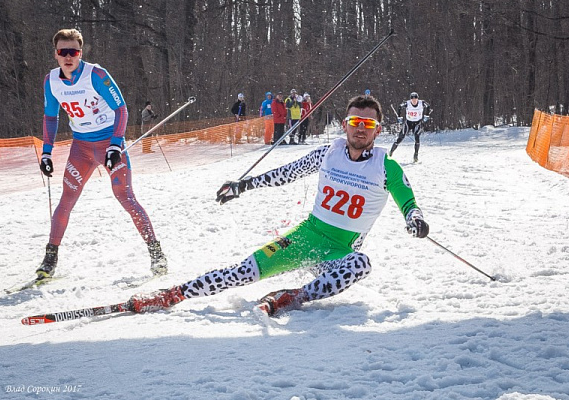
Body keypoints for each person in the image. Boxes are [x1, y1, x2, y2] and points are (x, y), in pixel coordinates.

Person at [127, 94, 429, 316]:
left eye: (368, 123)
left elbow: (408, 202)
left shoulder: (386, 167)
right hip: (305, 238)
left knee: (360, 264)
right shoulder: (328, 153)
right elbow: (287, 173)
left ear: (378, 129)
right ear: (344, 125)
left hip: (338, 254)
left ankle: (291, 297)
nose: (360, 129)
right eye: (354, 122)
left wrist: (414, 219)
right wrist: (244, 185)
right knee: (243, 271)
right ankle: (173, 294)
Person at [37, 28, 167, 279]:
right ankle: (49, 259)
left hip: (108, 143)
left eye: (73, 52)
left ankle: (156, 253)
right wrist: (46, 153)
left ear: (80, 53)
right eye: (63, 52)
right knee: (66, 201)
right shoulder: (51, 81)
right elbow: (50, 117)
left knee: (125, 197)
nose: (68, 57)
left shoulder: (96, 74)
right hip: (81, 149)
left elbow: (121, 109)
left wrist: (116, 145)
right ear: (55, 54)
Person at [390, 92, 432, 162]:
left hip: (417, 123)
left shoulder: (422, 103)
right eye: (412, 99)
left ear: (417, 98)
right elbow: (400, 107)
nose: (414, 100)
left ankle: (415, 155)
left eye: (415, 98)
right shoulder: (407, 103)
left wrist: (426, 116)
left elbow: (428, 106)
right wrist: (400, 117)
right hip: (408, 123)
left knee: (417, 138)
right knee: (401, 137)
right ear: (410, 99)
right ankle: (391, 152)